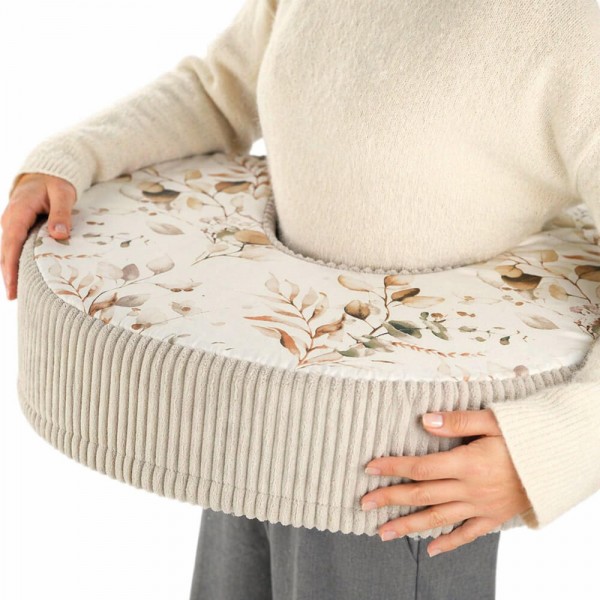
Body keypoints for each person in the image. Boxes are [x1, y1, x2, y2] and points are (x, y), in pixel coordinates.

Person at [3, 1, 600, 598]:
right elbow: (218, 91)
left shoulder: (568, 26)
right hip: (260, 410)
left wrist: (549, 452)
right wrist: (73, 157)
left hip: (405, 480)